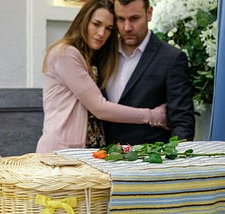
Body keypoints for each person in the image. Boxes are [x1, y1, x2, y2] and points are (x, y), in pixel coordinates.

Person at [36, 0, 167, 153]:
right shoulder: (66, 54)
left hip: (86, 152)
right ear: (83, 21)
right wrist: (152, 116)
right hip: (61, 152)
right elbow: (100, 108)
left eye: (109, 28)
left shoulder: (92, 57)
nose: (101, 33)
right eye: (96, 24)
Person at [103, 0, 195, 145]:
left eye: (134, 18)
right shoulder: (102, 53)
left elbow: (183, 122)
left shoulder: (171, 58)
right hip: (98, 158)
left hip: (148, 161)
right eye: (120, 19)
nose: (127, 27)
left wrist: (172, 160)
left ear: (149, 13)